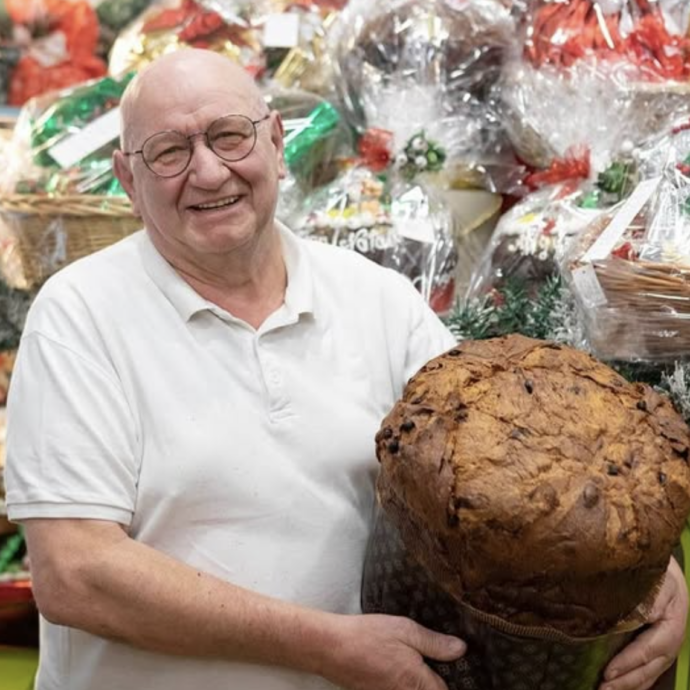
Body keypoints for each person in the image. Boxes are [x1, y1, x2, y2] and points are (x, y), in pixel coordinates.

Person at [3, 48, 687, 690]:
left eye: (229, 136)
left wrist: (650, 574)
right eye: (169, 152)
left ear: (275, 141)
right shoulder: (81, 314)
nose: (208, 172)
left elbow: (526, 458)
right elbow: (75, 574)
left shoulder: (375, 297)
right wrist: (326, 644)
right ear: (127, 178)